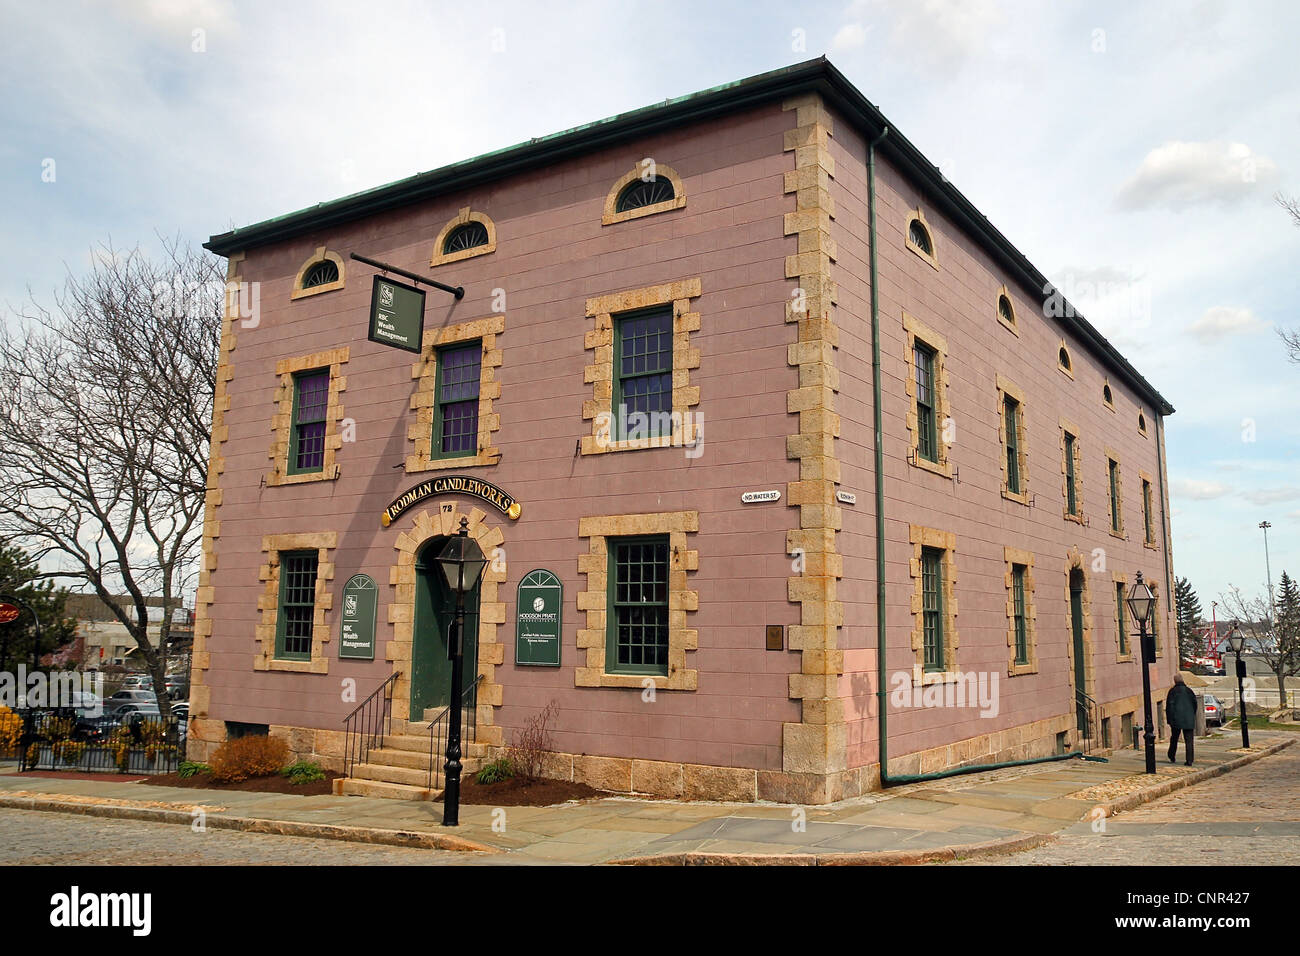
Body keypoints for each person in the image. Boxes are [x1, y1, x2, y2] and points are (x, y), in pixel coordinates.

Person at [1166, 672, 1198, 766]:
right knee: (1189, 740)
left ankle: (1171, 755)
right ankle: (1189, 760)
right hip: (1189, 718)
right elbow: (1195, 704)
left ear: (1175, 681)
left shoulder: (1172, 692)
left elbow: (1169, 706)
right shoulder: (1189, 691)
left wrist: (1170, 719)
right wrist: (1192, 715)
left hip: (1176, 719)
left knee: (1174, 738)